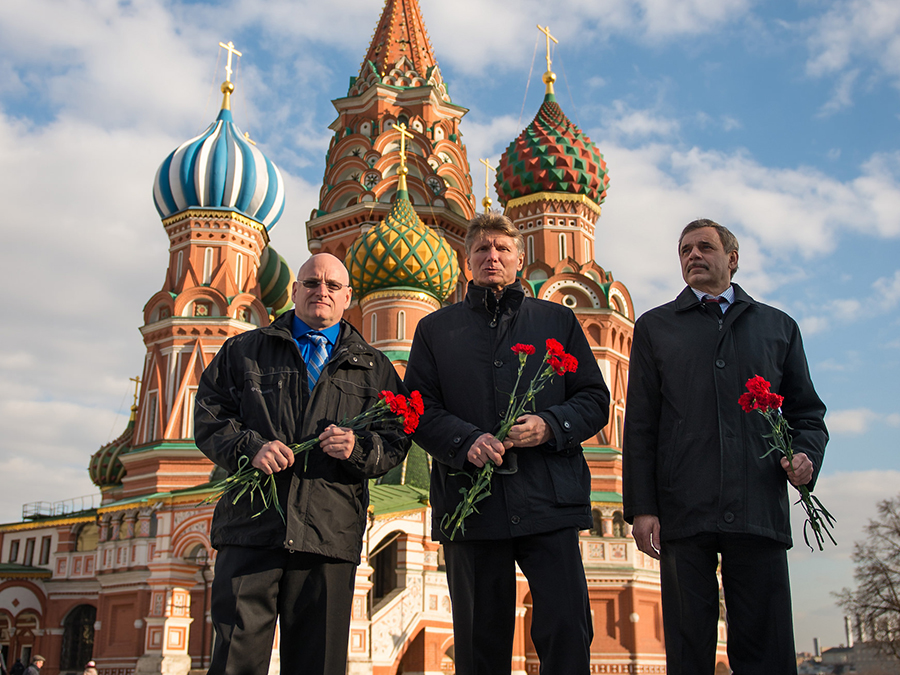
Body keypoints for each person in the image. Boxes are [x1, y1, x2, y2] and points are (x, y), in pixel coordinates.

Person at [405, 212, 610, 675]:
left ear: (519, 258)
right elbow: (417, 409)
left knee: (565, 630)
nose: (491, 257)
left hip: (548, 499)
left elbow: (595, 400)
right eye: (481, 249)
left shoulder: (557, 320)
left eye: (501, 249)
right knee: (480, 641)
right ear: (466, 262)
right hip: (471, 504)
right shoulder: (436, 330)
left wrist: (550, 425)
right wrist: (466, 440)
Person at [623, 219, 828, 675]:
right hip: (684, 508)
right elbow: (640, 424)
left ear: (732, 260)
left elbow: (807, 414)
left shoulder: (777, 327)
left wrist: (806, 457)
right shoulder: (656, 327)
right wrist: (642, 507)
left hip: (758, 503)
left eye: (704, 247)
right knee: (689, 644)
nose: (692, 256)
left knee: (766, 646)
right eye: (684, 250)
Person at [194, 253, 411, 675]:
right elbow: (209, 415)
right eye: (312, 283)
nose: (321, 292)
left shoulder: (374, 368)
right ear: (295, 291)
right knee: (236, 658)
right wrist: (250, 448)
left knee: (319, 663)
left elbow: (397, 439)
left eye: (333, 286)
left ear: (348, 297)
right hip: (251, 528)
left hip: (328, 535)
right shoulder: (245, 350)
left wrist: (357, 448)